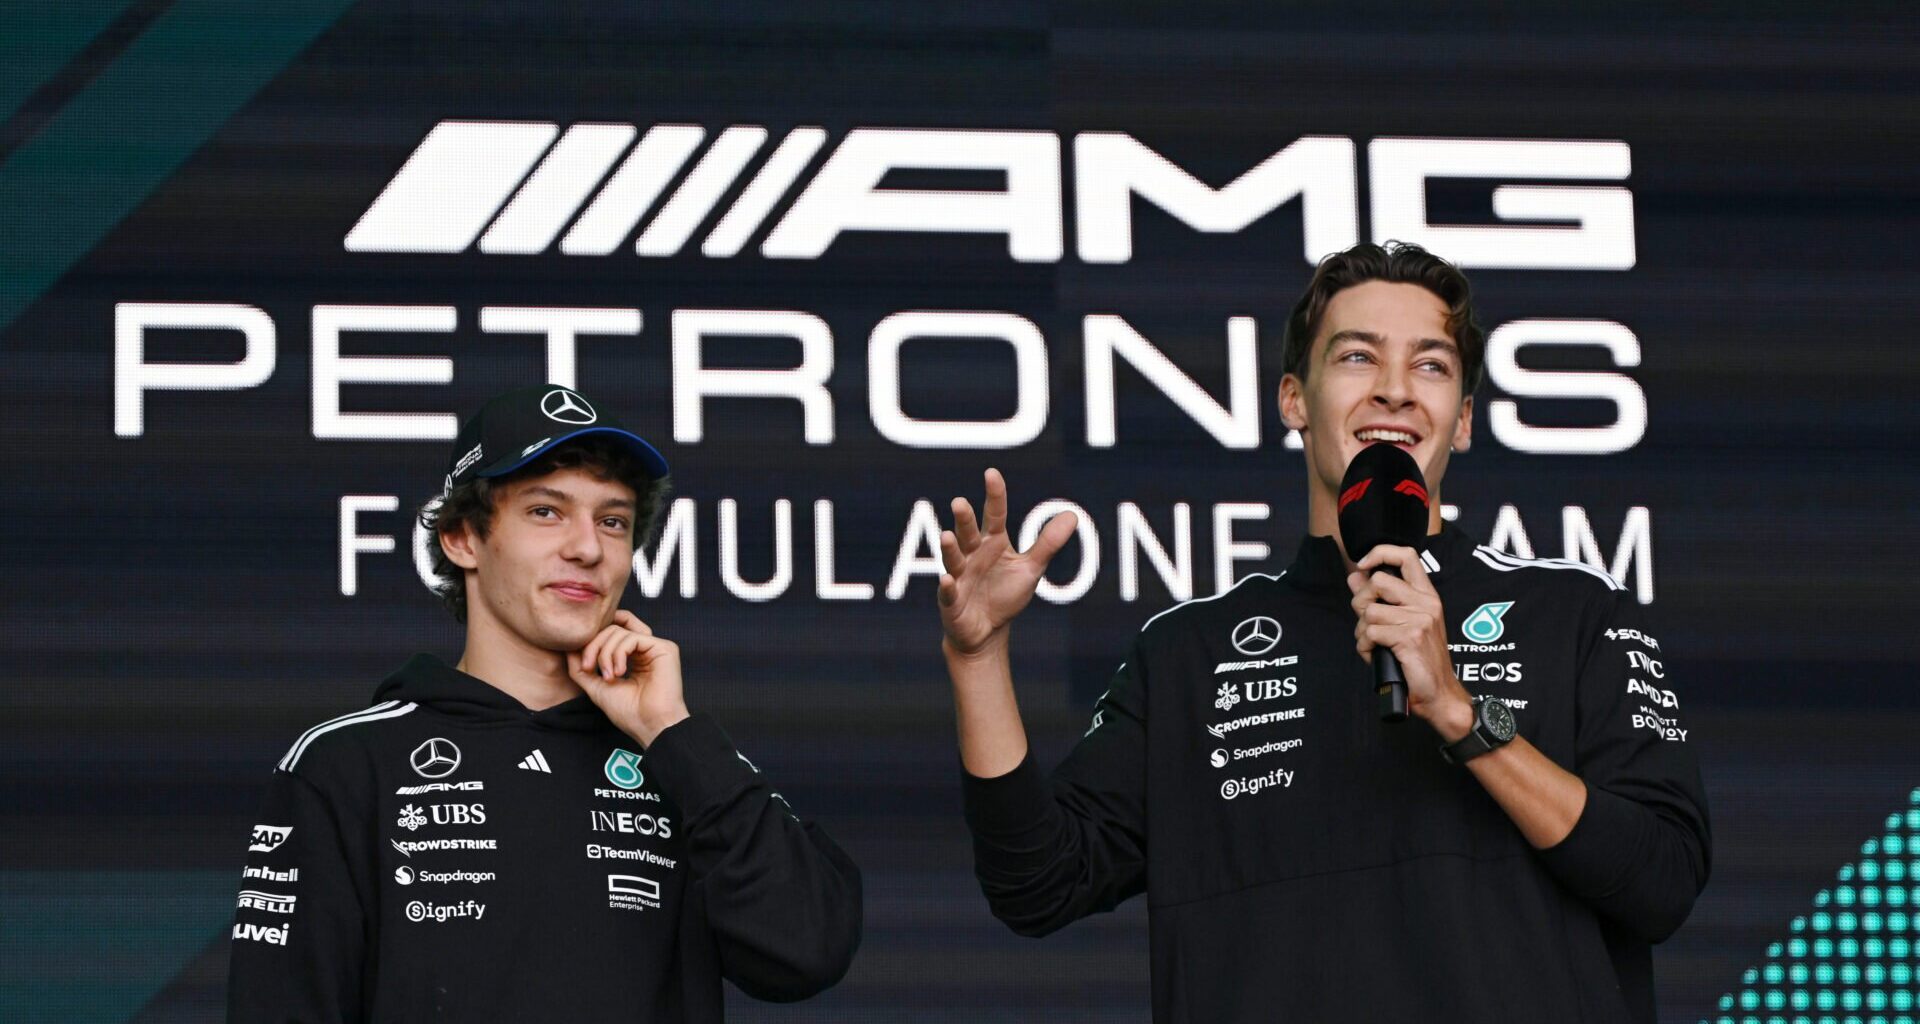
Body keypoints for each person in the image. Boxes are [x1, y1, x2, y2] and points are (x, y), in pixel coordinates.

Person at [936, 242, 1709, 1022]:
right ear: (1293, 400)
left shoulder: (1575, 614)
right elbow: (1038, 883)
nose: (1395, 390)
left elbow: (1664, 878)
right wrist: (980, 657)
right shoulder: (1187, 656)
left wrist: (1462, 715)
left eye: (1431, 365)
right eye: (1357, 357)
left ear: (1464, 422)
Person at [228, 384, 861, 1023]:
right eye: (546, 511)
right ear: (462, 538)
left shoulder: (682, 760)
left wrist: (669, 729)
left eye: (612, 521)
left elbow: (808, 953)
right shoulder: (345, 765)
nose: (588, 548)